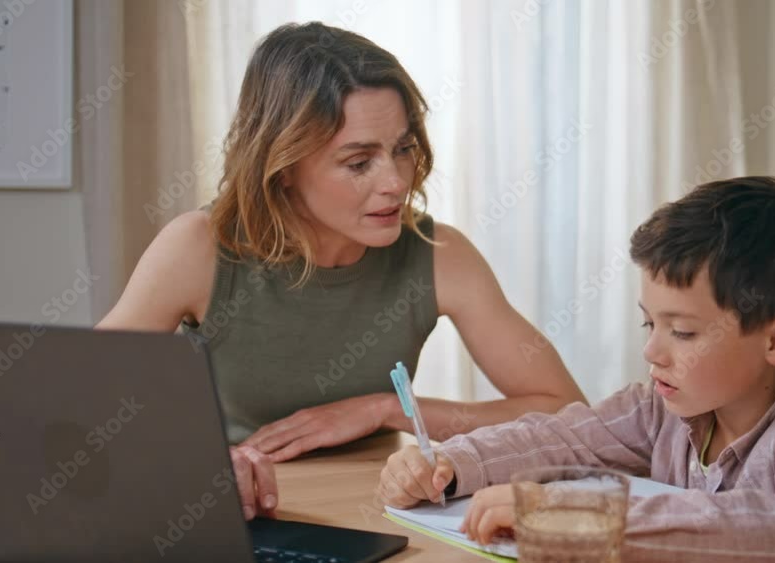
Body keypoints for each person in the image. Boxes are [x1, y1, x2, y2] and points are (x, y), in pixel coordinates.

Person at [96, 22, 585, 521]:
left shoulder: (439, 253)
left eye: (403, 149)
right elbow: (78, 402)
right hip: (228, 515)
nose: (395, 182)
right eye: (358, 162)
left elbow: (567, 410)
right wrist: (196, 461)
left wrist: (386, 409)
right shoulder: (199, 247)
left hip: (382, 515)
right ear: (283, 166)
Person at [378, 176, 775, 562]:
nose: (652, 350)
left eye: (683, 332)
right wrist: (449, 463)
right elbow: (559, 439)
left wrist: (593, 522)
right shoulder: (661, 407)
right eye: (649, 323)